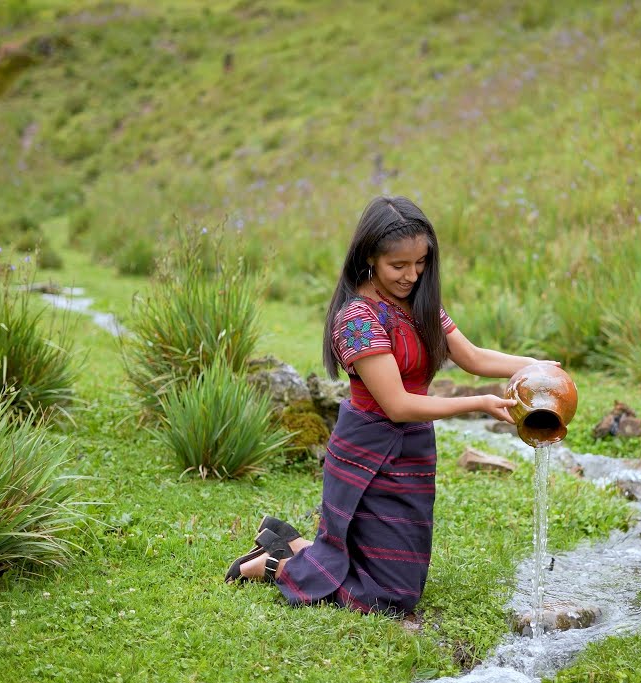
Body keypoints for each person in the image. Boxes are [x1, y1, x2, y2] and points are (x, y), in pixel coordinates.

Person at [225, 195, 552, 615]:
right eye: (399, 266)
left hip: (413, 450)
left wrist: (536, 365)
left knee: (401, 581)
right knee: (389, 598)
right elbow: (397, 405)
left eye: (420, 263)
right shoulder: (358, 319)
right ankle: (273, 564)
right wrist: (481, 403)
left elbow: (472, 358)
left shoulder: (420, 302)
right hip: (369, 453)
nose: (412, 275)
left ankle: (288, 541)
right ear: (369, 260)